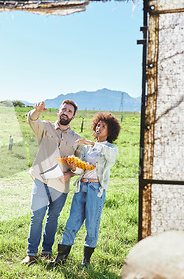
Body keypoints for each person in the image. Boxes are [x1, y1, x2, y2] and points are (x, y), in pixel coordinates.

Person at [50, 112, 120, 268]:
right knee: (71, 222)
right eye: (97, 125)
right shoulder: (87, 149)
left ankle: (86, 262)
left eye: (103, 126)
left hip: (96, 189)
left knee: (92, 225)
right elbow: (81, 169)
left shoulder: (110, 148)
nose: (98, 128)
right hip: (82, 186)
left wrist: (90, 142)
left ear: (110, 131)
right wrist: (74, 166)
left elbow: (110, 155)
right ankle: (60, 259)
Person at [21, 100, 83, 265]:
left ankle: (46, 252)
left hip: (61, 185)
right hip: (41, 179)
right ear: (58, 111)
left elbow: (81, 166)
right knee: (37, 217)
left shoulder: (77, 139)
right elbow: (32, 120)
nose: (65, 112)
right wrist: (37, 111)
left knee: (53, 218)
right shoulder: (46, 127)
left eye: (69, 111)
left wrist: (70, 173)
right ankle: (31, 253)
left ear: (73, 116)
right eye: (64, 109)